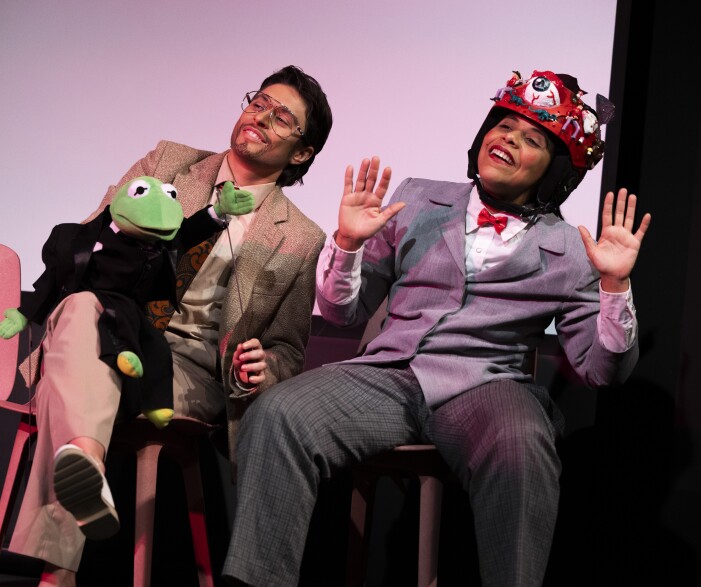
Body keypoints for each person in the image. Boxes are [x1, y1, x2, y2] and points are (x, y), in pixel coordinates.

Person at [222, 70, 651, 587]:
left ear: (556, 170)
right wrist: (349, 244)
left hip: (487, 386)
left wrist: (614, 286)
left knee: (522, 445)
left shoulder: (572, 252)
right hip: (388, 375)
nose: (508, 139)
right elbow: (343, 313)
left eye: (531, 138)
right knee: (279, 412)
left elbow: (602, 370)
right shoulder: (419, 198)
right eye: (504, 126)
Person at [7, 64, 333, 586]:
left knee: (74, 379)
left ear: (301, 153)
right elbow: (93, 242)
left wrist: (262, 366)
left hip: (187, 371)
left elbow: (289, 350)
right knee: (79, 312)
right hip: (108, 324)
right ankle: (84, 464)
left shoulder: (298, 236)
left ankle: (57, 565)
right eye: (258, 103)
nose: (261, 117)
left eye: (281, 118)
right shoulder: (169, 161)